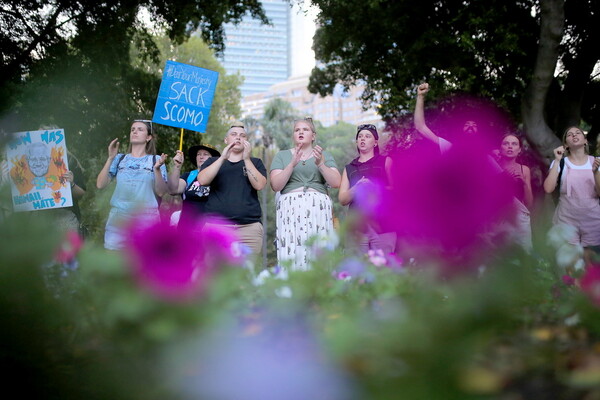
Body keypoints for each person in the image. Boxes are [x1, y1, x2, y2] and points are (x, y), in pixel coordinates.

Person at [270, 117, 341, 271]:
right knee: (292, 252)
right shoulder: (282, 156)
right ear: (293, 135)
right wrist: (291, 164)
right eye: (297, 130)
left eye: (305, 129)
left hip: (318, 211)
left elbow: (336, 183)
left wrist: (320, 163)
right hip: (290, 211)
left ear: (313, 135)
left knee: (318, 251)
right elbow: (276, 185)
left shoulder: (324, 155)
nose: (301, 132)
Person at [197, 123, 267, 259]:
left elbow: (259, 185)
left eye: (242, 136)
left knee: (247, 274)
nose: (238, 138)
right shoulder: (213, 161)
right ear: (226, 140)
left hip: (249, 229)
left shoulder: (255, 162)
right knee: (215, 273)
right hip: (217, 228)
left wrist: (246, 159)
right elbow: (202, 180)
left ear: (246, 141)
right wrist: (222, 158)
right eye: (233, 134)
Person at [96, 119, 168, 250]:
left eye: (140, 129)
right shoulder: (119, 159)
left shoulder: (156, 160)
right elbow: (100, 184)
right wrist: (110, 158)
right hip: (119, 219)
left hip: (147, 219)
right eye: (133, 129)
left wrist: (157, 169)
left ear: (148, 137)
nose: (135, 131)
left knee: (143, 267)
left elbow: (161, 192)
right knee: (115, 266)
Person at [338, 124, 396, 255]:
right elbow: (342, 199)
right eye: (360, 136)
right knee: (358, 271)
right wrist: (357, 187)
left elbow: (396, 190)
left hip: (383, 225)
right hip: (357, 228)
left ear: (375, 142)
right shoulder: (349, 168)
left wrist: (374, 187)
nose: (362, 139)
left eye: (367, 136)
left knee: (385, 268)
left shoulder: (386, 161)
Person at [543, 126, 600, 257]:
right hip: (566, 222)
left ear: (585, 141)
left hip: (593, 222)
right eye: (569, 134)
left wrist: (596, 172)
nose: (574, 135)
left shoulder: (597, 162)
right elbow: (548, 188)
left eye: (578, 133)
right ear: (566, 145)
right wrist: (557, 160)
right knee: (569, 266)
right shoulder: (560, 163)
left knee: (592, 267)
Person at [495, 133, 534, 251]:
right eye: (506, 144)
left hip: (519, 219)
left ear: (519, 150)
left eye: (514, 144)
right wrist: (502, 178)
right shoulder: (493, 167)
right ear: (500, 149)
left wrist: (524, 182)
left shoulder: (524, 169)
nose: (510, 147)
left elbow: (529, 203)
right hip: (498, 219)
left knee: (523, 255)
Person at [167, 143, 220, 226]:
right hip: (186, 228)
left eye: (205, 154)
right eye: (198, 154)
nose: (201, 157)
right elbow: (173, 190)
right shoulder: (189, 176)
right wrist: (177, 167)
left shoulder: (219, 177)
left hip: (209, 230)